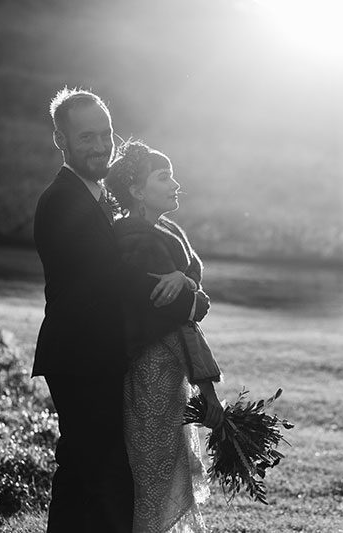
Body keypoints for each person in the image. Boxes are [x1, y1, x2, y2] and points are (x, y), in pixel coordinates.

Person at [32, 88, 210, 533]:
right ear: (62, 141)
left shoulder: (97, 198)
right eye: (86, 136)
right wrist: (190, 297)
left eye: (106, 134)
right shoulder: (63, 201)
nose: (99, 145)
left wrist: (186, 284)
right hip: (80, 356)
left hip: (101, 354)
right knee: (91, 470)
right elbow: (113, 278)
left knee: (96, 471)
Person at [105, 140, 225, 533]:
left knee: (160, 479)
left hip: (167, 382)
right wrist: (209, 396)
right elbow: (187, 316)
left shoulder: (163, 232)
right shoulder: (138, 243)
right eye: (163, 176)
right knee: (151, 488)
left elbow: (192, 281)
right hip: (150, 380)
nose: (175, 183)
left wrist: (185, 280)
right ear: (137, 190)